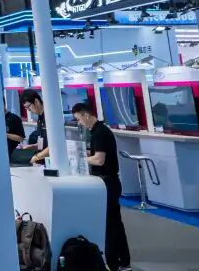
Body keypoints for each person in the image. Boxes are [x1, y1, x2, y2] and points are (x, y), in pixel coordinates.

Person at [73, 102, 132, 271]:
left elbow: (99, 159)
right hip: (108, 182)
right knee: (114, 223)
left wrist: (80, 159)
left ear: (86, 115)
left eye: (79, 119)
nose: (79, 123)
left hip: (107, 183)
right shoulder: (98, 131)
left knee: (110, 225)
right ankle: (123, 261)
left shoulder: (100, 132)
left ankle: (114, 263)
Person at [20, 89, 50, 165]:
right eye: (26, 108)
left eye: (28, 106)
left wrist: (37, 157)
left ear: (36, 101)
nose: (28, 110)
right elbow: (43, 143)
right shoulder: (40, 118)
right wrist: (32, 146)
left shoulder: (50, 117)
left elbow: (55, 145)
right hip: (43, 162)